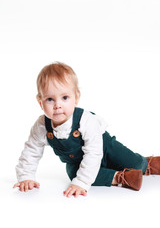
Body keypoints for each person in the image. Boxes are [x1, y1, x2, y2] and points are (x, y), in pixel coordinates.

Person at [13, 62, 160, 198]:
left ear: (76, 98)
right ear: (40, 102)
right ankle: (120, 177)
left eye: (64, 97)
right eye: (50, 99)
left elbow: (94, 152)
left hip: (105, 148)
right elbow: (31, 151)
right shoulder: (42, 125)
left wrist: (82, 182)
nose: (57, 105)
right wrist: (26, 176)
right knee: (73, 174)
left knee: (133, 163)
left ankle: (147, 164)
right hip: (79, 161)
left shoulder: (86, 120)